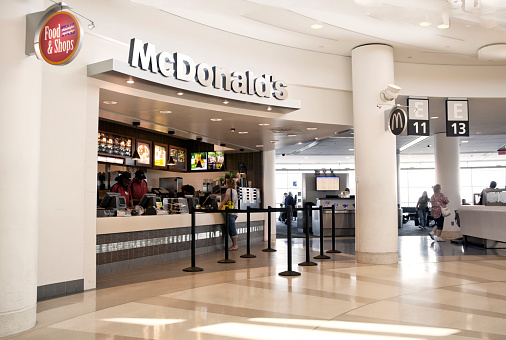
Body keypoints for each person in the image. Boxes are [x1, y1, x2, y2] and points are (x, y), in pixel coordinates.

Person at [218, 179, 239, 251]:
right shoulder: (235, 190)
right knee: (231, 228)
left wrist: (219, 207)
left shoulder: (229, 190)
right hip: (235, 211)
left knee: (232, 228)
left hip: (230, 211)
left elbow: (225, 200)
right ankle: (234, 244)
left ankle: (235, 245)